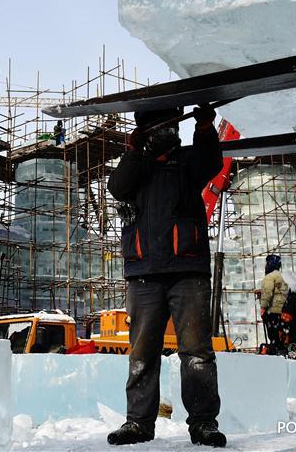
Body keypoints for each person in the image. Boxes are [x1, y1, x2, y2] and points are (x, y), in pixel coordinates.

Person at [106, 105, 226, 447]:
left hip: (187, 269)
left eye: (170, 125)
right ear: (144, 132)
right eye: (157, 128)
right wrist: (133, 151)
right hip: (144, 272)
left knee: (197, 353)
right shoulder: (137, 167)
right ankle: (138, 423)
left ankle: (203, 423)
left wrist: (204, 129)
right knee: (142, 354)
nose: (165, 132)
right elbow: (117, 187)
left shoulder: (188, 161)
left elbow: (212, 163)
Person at [259, 254, 289, 352]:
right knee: (280, 334)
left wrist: (263, 307)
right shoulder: (282, 277)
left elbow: (267, 293)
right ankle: (280, 348)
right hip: (282, 310)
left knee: (273, 334)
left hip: (273, 310)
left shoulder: (269, 277)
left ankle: (275, 350)